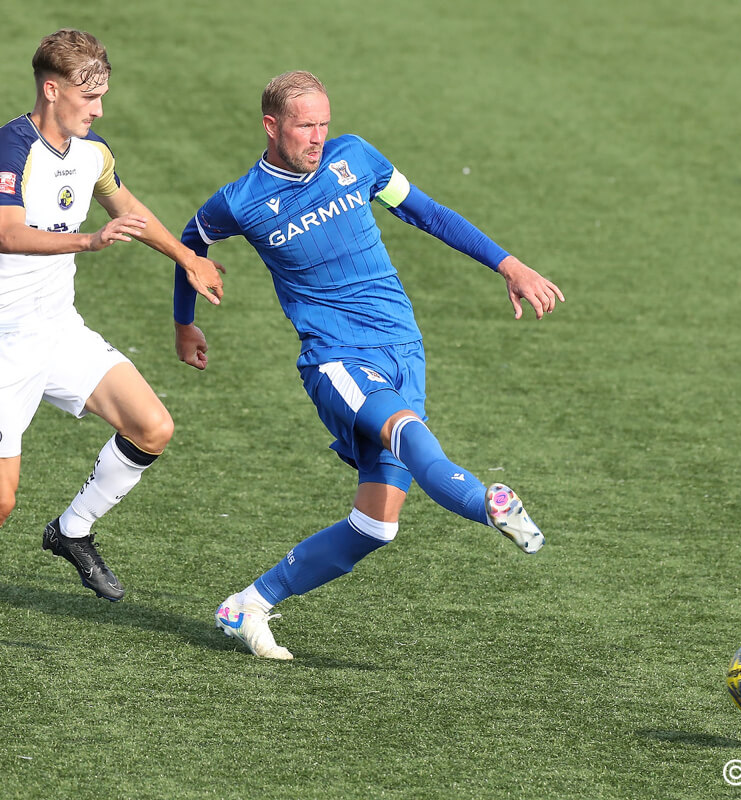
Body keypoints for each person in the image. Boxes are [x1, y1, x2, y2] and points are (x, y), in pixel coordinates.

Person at [172, 71, 563, 660]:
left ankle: (247, 605)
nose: (318, 137)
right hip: (336, 359)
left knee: (377, 526)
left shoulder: (354, 158)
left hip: (403, 348)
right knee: (410, 437)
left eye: (324, 123)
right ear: (271, 125)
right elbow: (188, 242)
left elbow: (430, 213)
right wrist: (184, 323)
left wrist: (508, 264)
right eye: (306, 126)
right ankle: (489, 502)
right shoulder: (241, 201)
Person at [0, 29, 225, 654]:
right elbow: (7, 233)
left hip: (60, 332)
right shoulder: (10, 147)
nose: (99, 109)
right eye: (90, 97)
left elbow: (125, 205)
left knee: (152, 426)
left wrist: (186, 257)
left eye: (103, 96)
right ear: (52, 89)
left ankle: (72, 530)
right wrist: (88, 241)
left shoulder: (93, 153)